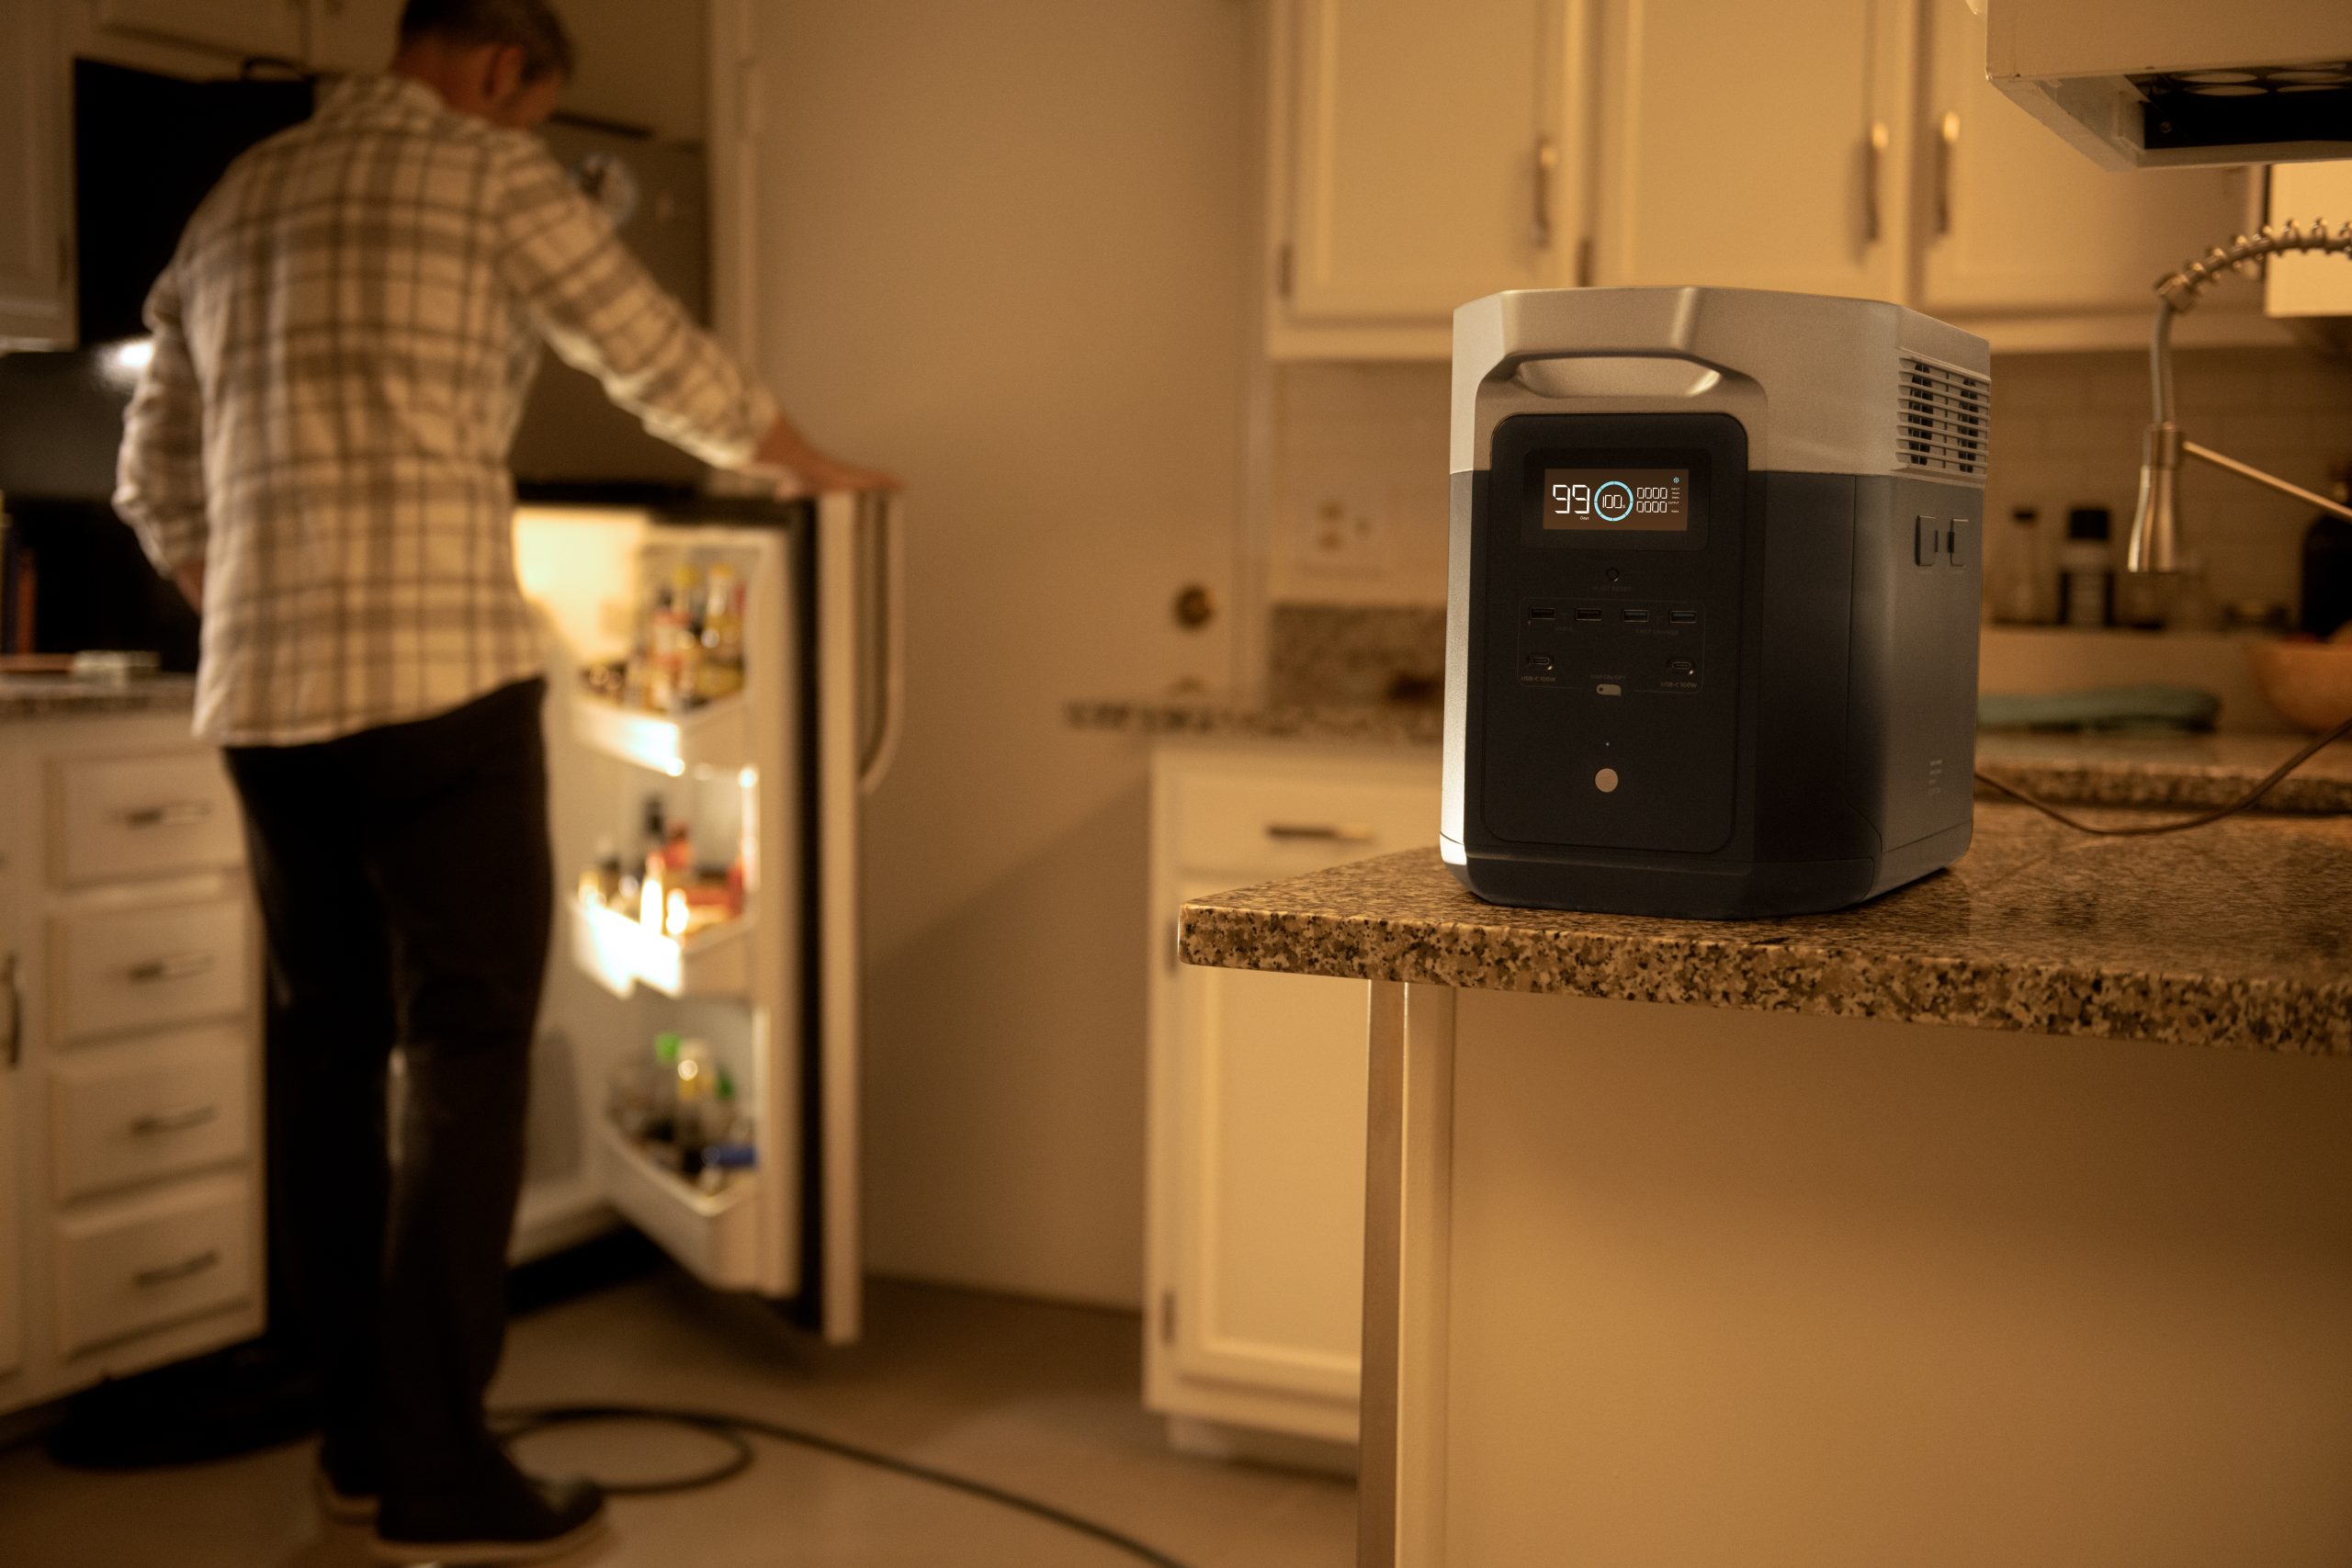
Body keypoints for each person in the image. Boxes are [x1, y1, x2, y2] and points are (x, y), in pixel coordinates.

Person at [111, 2, 893, 1561]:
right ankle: (441, 1465)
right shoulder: (485, 171)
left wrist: (247, 599)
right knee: (465, 1056)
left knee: (328, 1059)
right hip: (439, 687)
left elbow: (152, 478)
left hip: (265, 701)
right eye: (533, 108)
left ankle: (355, 1442)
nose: (528, 131)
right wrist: (809, 465)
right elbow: (650, 350)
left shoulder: (237, 197)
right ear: (498, 72)